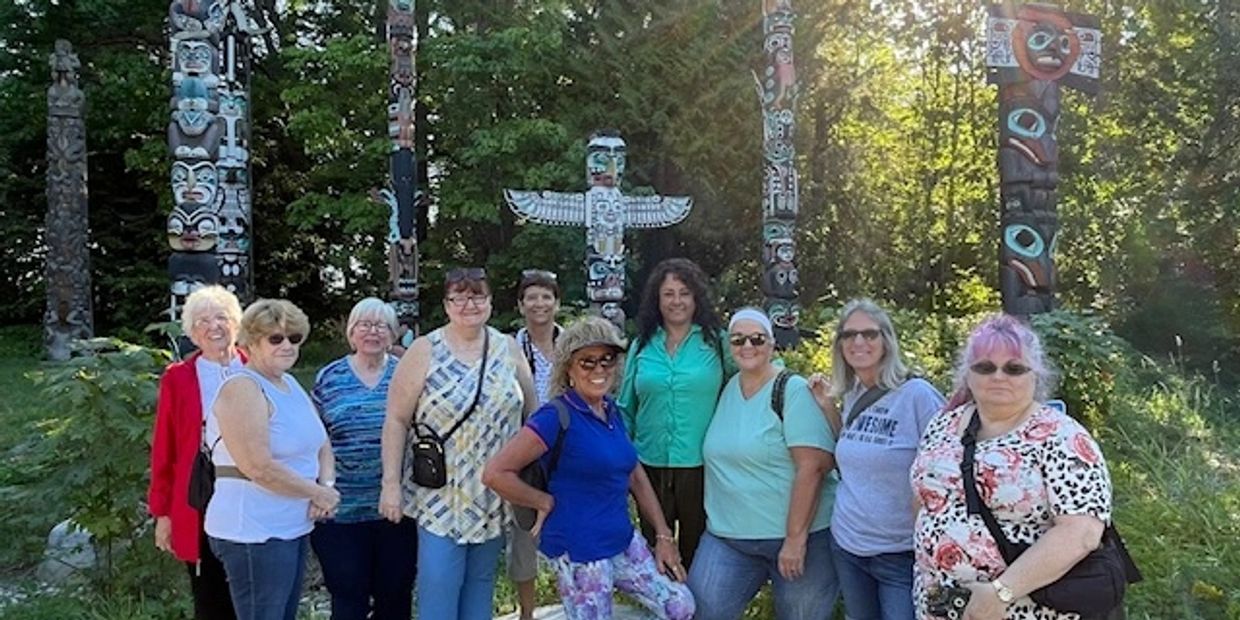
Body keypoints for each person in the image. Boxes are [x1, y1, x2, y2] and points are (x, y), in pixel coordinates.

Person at [482, 316, 695, 620]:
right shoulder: (555, 416)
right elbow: (494, 474)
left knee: (680, 605)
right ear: (568, 367)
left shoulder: (611, 410)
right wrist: (542, 501)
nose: (599, 370)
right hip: (578, 548)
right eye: (587, 362)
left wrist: (663, 535)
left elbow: (634, 473)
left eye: (607, 361)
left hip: (620, 538)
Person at [911, 314, 1114, 619]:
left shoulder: (1062, 437)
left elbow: (1082, 532)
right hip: (939, 605)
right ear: (968, 374)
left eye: (1014, 368)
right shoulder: (944, 423)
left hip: (1021, 609)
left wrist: (1001, 592)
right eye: (985, 367)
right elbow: (923, 500)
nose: (998, 376)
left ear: (1036, 375)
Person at [379, 267, 537, 620]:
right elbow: (396, 419)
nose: (469, 304)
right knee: (439, 589)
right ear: (447, 304)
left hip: (493, 490)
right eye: (459, 297)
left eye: (478, 295)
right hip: (440, 494)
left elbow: (532, 415)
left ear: (491, 302)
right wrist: (390, 484)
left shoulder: (507, 348)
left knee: (480, 588)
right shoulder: (424, 350)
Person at [688, 307, 839, 619]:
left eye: (757, 339)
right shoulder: (728, 389)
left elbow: (814, 466)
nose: (747, 347)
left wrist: (795, 541)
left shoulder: (792, 389)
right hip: (729, 537)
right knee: (701, 610)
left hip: (801, 538)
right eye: (738, 340)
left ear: (772, 344)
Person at [805, 299, 945, 620]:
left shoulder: (918, 396)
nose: (858, 342)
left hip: (900, 552)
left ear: (886, 340)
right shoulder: (853, 393)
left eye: (869, 334)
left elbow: (947, 467)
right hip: (849, 546)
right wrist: (829, 408)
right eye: (849, 335)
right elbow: (853, 457)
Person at [206, 299, 339, 620]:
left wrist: (326, 484)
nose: (287, 345)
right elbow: (257, 466)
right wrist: (317, 493)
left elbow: (321, 443)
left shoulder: (289, 384)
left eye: (294, 337)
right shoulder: (243, 387)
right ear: (251, 342)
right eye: (275, 338)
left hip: (292, 524)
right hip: (253, 529)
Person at [618, 257, 732, 567]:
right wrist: (622, 460)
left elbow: (750, 384)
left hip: (701, 464)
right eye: (668, 294)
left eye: (684, 293)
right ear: (657, 299)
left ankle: (699, 611)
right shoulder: (641, 345)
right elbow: (625, 407)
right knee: (657, 550)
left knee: (700, 553)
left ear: (696, 298)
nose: (676, 301)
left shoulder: (717, 343)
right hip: (648, 464)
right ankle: (664, 611)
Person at [310, 298, 416, 620]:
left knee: (395, 596)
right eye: (364, 325)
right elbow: (314, 438)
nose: (372, 332)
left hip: (397, 508)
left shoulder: (407, 373)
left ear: (393, 333)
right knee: (347, 598)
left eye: (381, 325)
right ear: (351, 333)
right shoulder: (329, 377)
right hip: (341, 510)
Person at [148, 285, 244, 620]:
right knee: (210, 595)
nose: (213, 326)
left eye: (221, 317)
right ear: (192, 331)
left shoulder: (257, 368)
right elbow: (165, 448)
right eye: (203, 320)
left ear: (236, 323)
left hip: (253, 495)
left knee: (256, 593)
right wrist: (163, 514)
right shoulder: (178, 378)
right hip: (201, 496)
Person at [509, 269, 563, 619]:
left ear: (557, 302)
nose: (539, 303)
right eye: (532, 296)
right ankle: (527, 612)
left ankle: (573, 602)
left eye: (546, 296)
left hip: (567, 448)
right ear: (520, 304)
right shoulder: (508, 347)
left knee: (569, 530)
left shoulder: (572, 342)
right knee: (524, 534)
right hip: (524, 451)